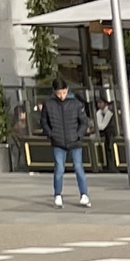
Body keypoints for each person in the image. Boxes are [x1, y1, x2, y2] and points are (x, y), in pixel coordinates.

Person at [37, 79, 92, 207]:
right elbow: (44, 121)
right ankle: (57, 195)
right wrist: (51, 134)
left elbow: (84, 121)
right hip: (58, 141)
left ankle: (84, 194)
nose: (61, 96)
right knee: (59, 169)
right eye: (59, 93)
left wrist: (79, 135)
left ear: (67, 90)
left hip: (75, 140)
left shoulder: (76, 104)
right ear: (54, 92)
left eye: (63, 92)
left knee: (78, 168)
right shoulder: (49, 104)